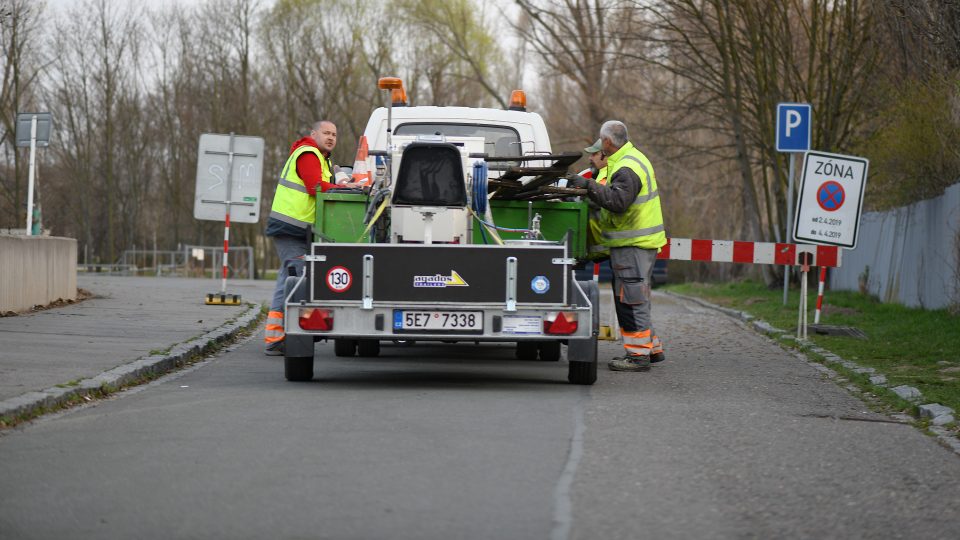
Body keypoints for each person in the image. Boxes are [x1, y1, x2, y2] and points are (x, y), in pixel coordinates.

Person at [566, 121, 667, 371]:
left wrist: (587, 185)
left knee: (631, 299)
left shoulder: (626, 167)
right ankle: (651, 349)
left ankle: (637, 356)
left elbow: (618, 201)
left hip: (633, 244)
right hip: (636, 243)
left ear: (608, 142)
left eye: (601, 143)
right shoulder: (629, 159)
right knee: (636, 296)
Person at [264, 120, 338, 355]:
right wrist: (344, 189)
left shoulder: (321, 157)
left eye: (334, 134)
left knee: (287, 279)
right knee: (298, 280)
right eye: (326, 132)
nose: (330, 137)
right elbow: (314, 186)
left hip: (295, 229)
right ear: (313, 134)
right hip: (291, 228)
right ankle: (290, 336)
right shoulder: (308, 153)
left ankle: (275, 337)